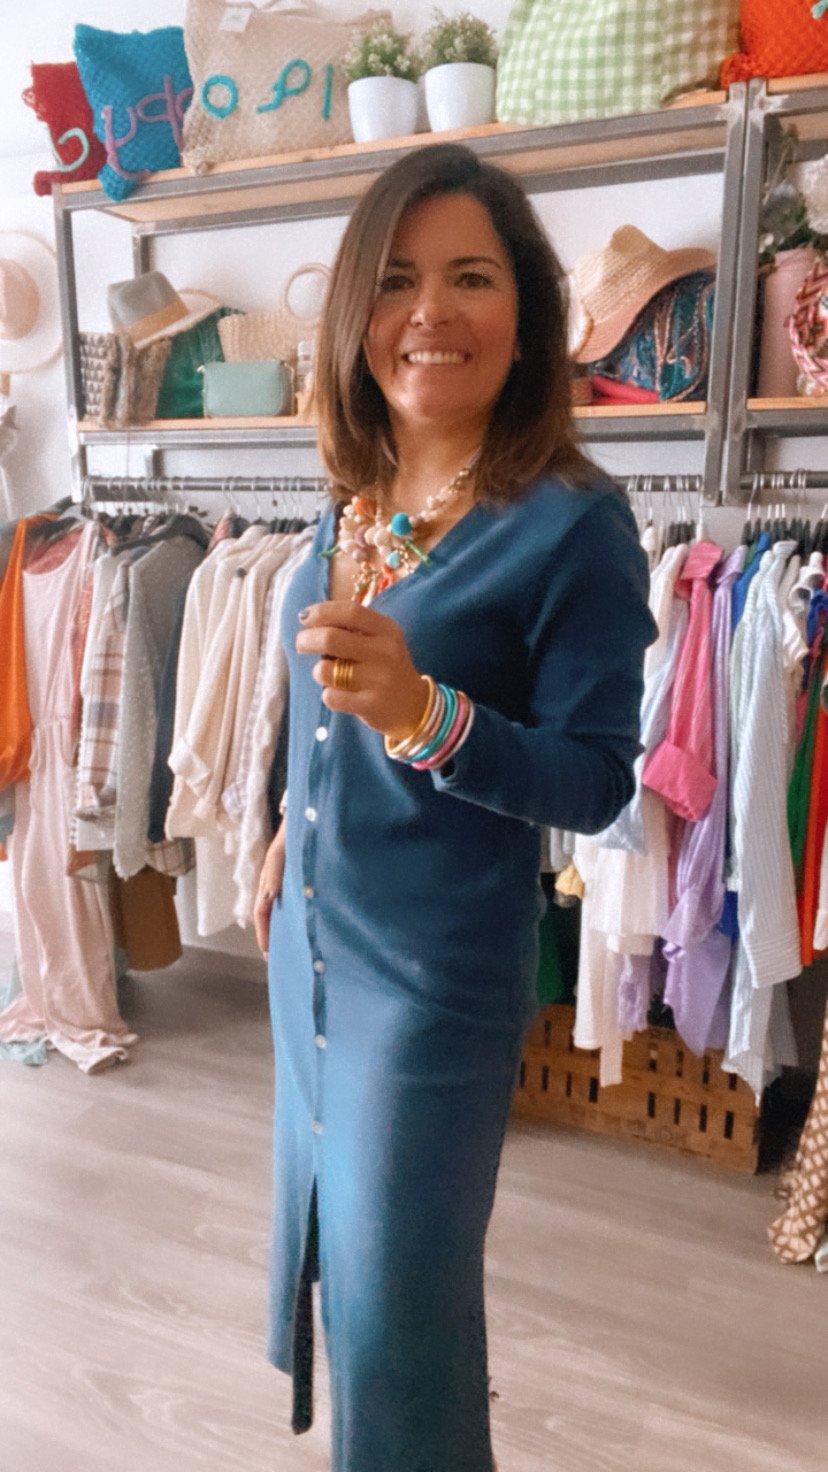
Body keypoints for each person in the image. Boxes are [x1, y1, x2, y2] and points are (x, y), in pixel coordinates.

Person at [253, 141, 656, 1472]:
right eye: (397, 279)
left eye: (472, 277)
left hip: (431, 980)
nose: (430, 310)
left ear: (526, 316)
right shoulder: (356, 496)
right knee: (350, 1278)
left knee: (401, 1310)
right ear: (356, 314)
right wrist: (286, 823)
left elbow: (596, 779)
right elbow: (319, 699)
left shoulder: (572, 525)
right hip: (313, 945)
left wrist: (428, 716)